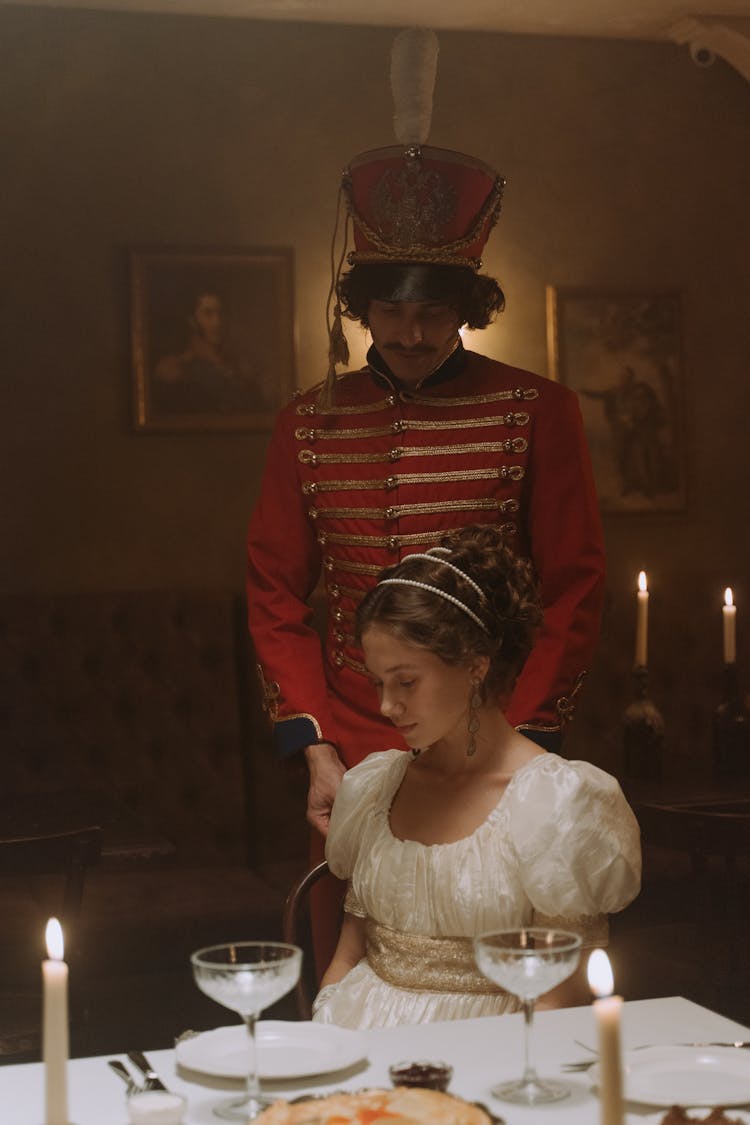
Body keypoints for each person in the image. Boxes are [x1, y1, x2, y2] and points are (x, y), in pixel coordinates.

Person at [246, 142, 606, 848]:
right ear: (361, 307)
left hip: (491, 729)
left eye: (435, 312)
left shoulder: (538, 409)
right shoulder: (304, 422)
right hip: (350, 739)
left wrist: (523, 744)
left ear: (467, 308)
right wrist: (316, 745)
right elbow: (274, 592)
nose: (411, 334)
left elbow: (574, 587)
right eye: (391, 309)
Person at [311, 525, 641, 1029]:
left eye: (406, 681)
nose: (385, 706)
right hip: (362, 1046)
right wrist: (328, 1047)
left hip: (499, 1053)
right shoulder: (375, 788)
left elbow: (564, 994)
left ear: (475, 667)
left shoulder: (555, 802)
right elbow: (346, 956)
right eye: (378, 683)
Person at [153, 290, 267, 414]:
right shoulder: (175, 369)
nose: (217, 322)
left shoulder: (240, 367)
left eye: (220, 313)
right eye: (207, 313)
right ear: (192, 320)